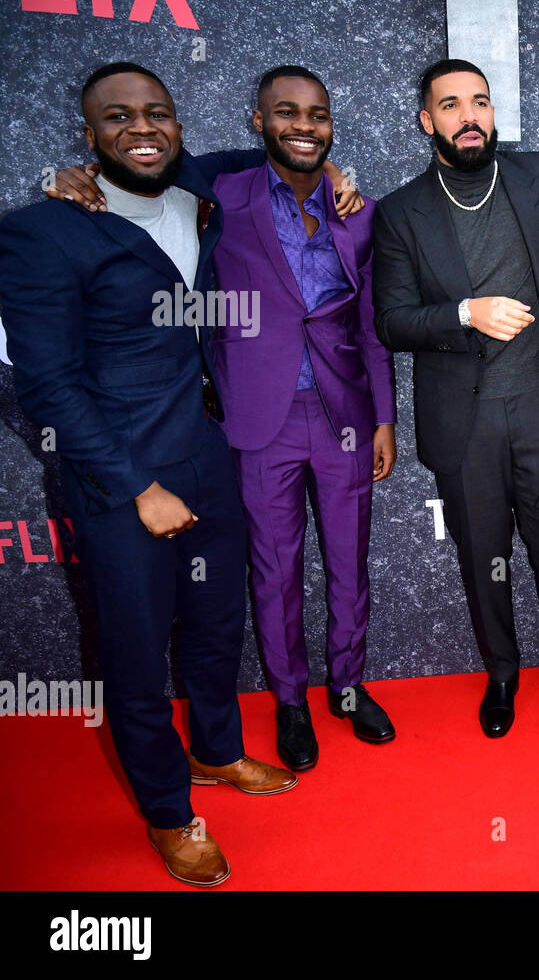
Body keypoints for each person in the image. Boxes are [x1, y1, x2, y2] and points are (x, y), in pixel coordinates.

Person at [0, 62, 297, 887]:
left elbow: (278, 146)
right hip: (120, 478)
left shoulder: (198, 184)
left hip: (207, 454)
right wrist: (137, 487)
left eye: (157, 113)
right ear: (88, 135)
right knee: (134, 659)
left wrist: (330, 168)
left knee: (213, 627)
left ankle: (215, 751)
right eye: (118, 117)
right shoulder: (42, 230)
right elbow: (46, 384)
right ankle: (170, 813)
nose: (142, 128)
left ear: (178, 124)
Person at [372, 59, 539, 739]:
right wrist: (465, 312)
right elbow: (391, 321)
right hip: (463, 418)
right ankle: (502, 672)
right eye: (451, 106)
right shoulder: (401, 212)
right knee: (484, 554)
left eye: (480, 102)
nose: (469, 117)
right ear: (427, 121)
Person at [205, 66, 398, 770]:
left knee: (350, 563)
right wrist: (63, 177)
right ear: (257, 121)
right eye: (285, 112)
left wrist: (384, 416)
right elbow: (150, 163)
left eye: (317, 115)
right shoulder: (221, 197)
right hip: (261, 414)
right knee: (274, 568)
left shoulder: (361, 210)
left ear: (331, 125)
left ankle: (347, 687)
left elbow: (373, 321)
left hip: (345, 411)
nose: (304, 125)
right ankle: (290, 701)